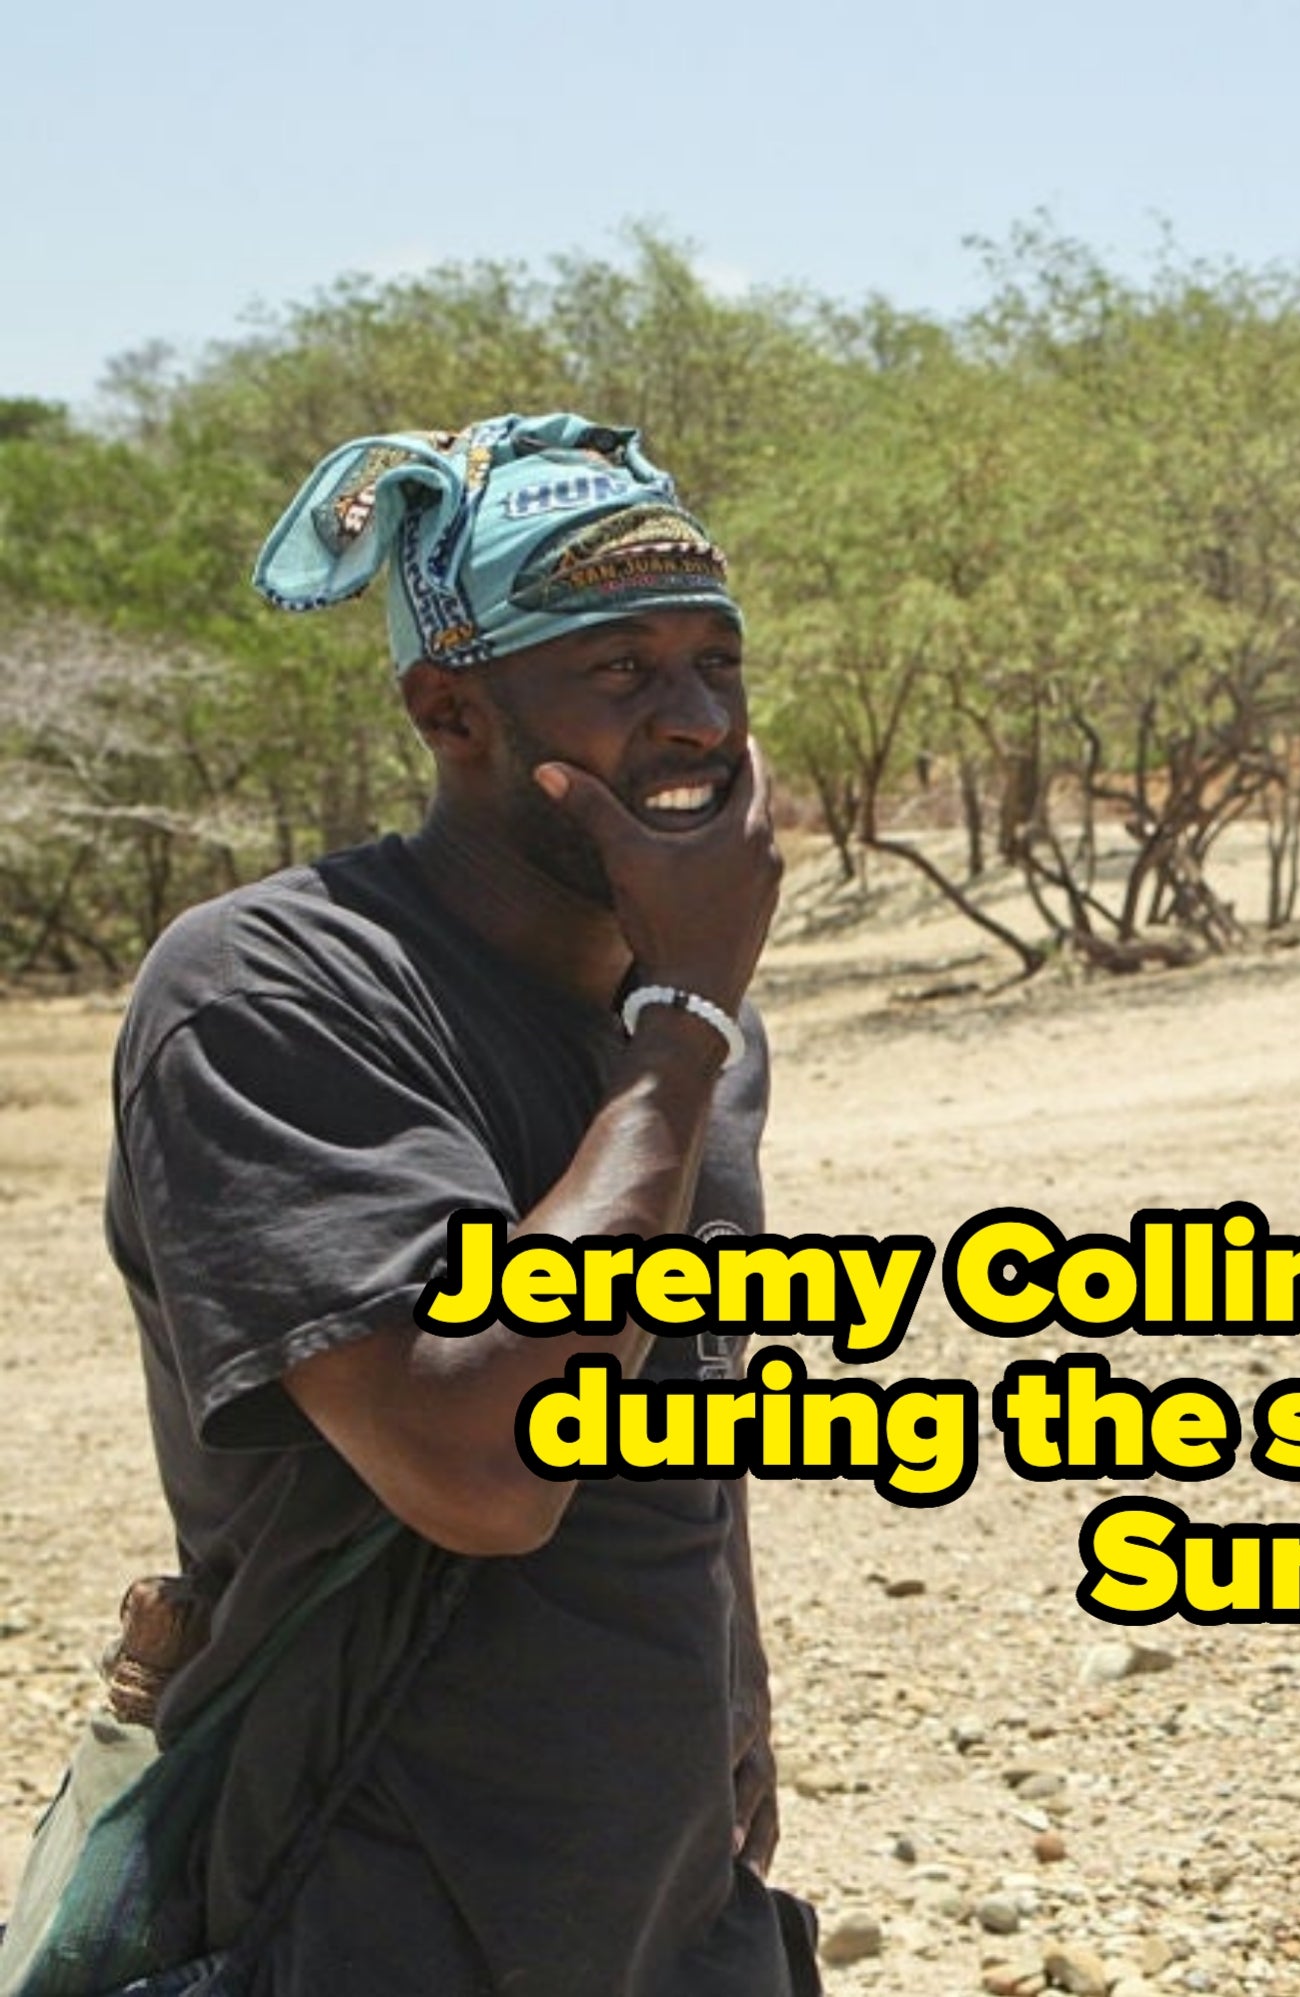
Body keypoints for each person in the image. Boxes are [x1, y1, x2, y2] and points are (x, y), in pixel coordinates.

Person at [92, 413, 810, 1992]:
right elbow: (484, 1467)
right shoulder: (272, 988)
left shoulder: (691, 1028)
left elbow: (689, 1383)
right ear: (451, 709)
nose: (697, 722)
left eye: (717, 664)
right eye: (620, 671)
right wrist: (680, 1032)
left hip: (661, 1888)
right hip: (366, 1883)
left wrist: (733, 1678)